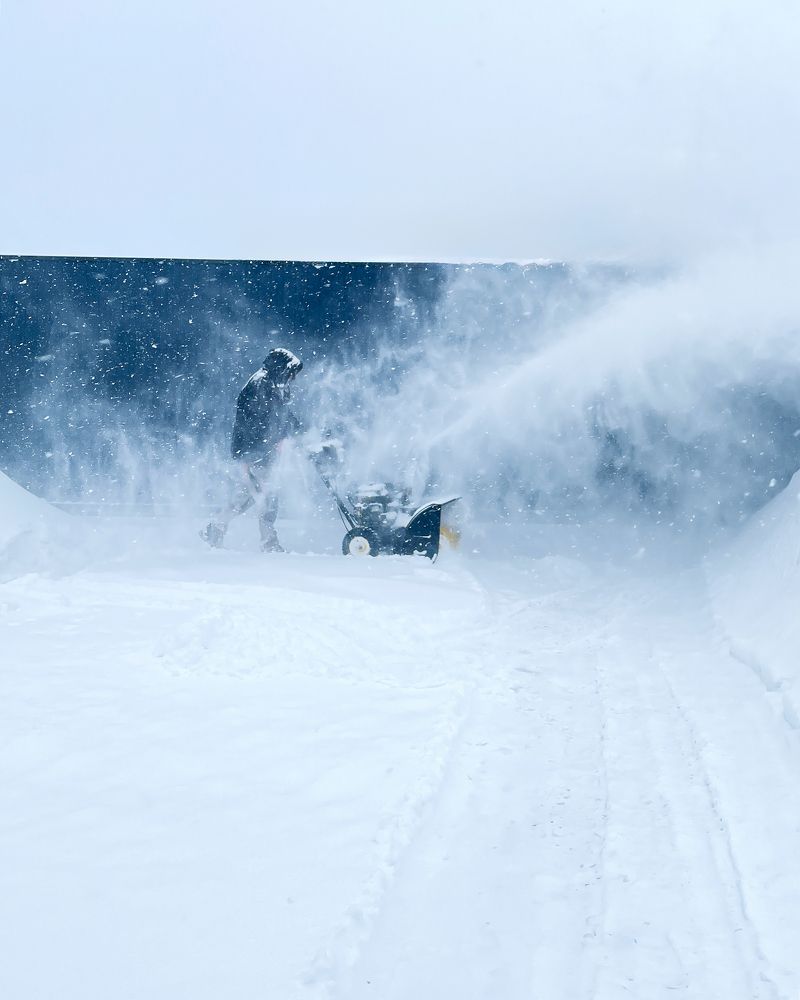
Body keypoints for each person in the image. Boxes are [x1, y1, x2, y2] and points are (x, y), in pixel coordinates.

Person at [202, 347, 304, 552]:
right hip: (255, 451)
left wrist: (299, 430)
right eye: (291, 373)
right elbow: (264, 420)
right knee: (268, 495)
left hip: (253, 450)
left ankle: (215, 529)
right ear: (282, 368)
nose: (293, 378)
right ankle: (269, 544)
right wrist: (279, 438)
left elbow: (281, 415)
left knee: (246, 496)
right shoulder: (261, 385)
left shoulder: (268, 383)